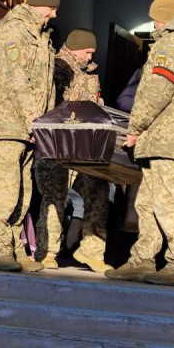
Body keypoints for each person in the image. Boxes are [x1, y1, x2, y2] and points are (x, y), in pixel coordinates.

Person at [106, 0, 174, 288]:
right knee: (148, 200)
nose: (154, 24)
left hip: (168, 136)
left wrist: (136, 125)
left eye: (156, 18)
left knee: (167, 199)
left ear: (166, 17)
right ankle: (142, 259)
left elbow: (157, 89)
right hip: (168, 136)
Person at [0, 0, 59, 272]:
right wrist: (35, 120)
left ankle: (16, 249)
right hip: (11, 124)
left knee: (24, 191)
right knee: (5, 190)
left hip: (31, 128)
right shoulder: (13, 31)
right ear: (39, 4)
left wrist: (44, 123)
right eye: (52, 8)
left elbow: (46, 85)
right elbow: (16, 80)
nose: (54, 15)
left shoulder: (41, 36)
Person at [35, 29, 109, 273]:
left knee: (98, 191)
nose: (90, 57)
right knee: (54, 198)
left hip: (85, 149)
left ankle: (92, 251)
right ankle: (47, 252)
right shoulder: (57, 68)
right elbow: (46, 104)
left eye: (92, 52)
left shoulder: (90, 74)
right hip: (57, 145)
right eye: (87, 52)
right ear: (75, 48)